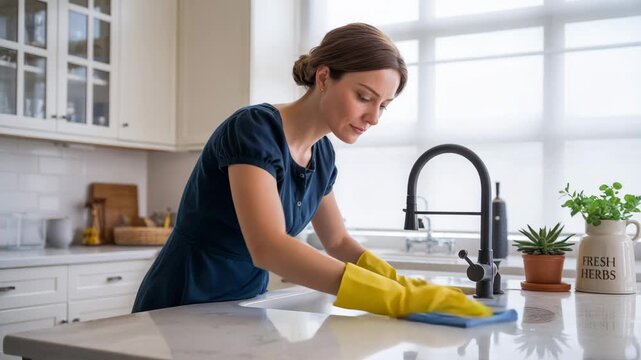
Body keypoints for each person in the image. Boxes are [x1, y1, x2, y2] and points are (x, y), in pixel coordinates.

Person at [132, 23, 492, 318]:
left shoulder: (322, 155)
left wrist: (401, 283)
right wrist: (390, 298)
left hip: (242, 305)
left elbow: (337, 241)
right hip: (181, 302)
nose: (374, 117)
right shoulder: (253, 129)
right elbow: (269, 247)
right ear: (323, 78)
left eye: (384, 105)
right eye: (364, 97)